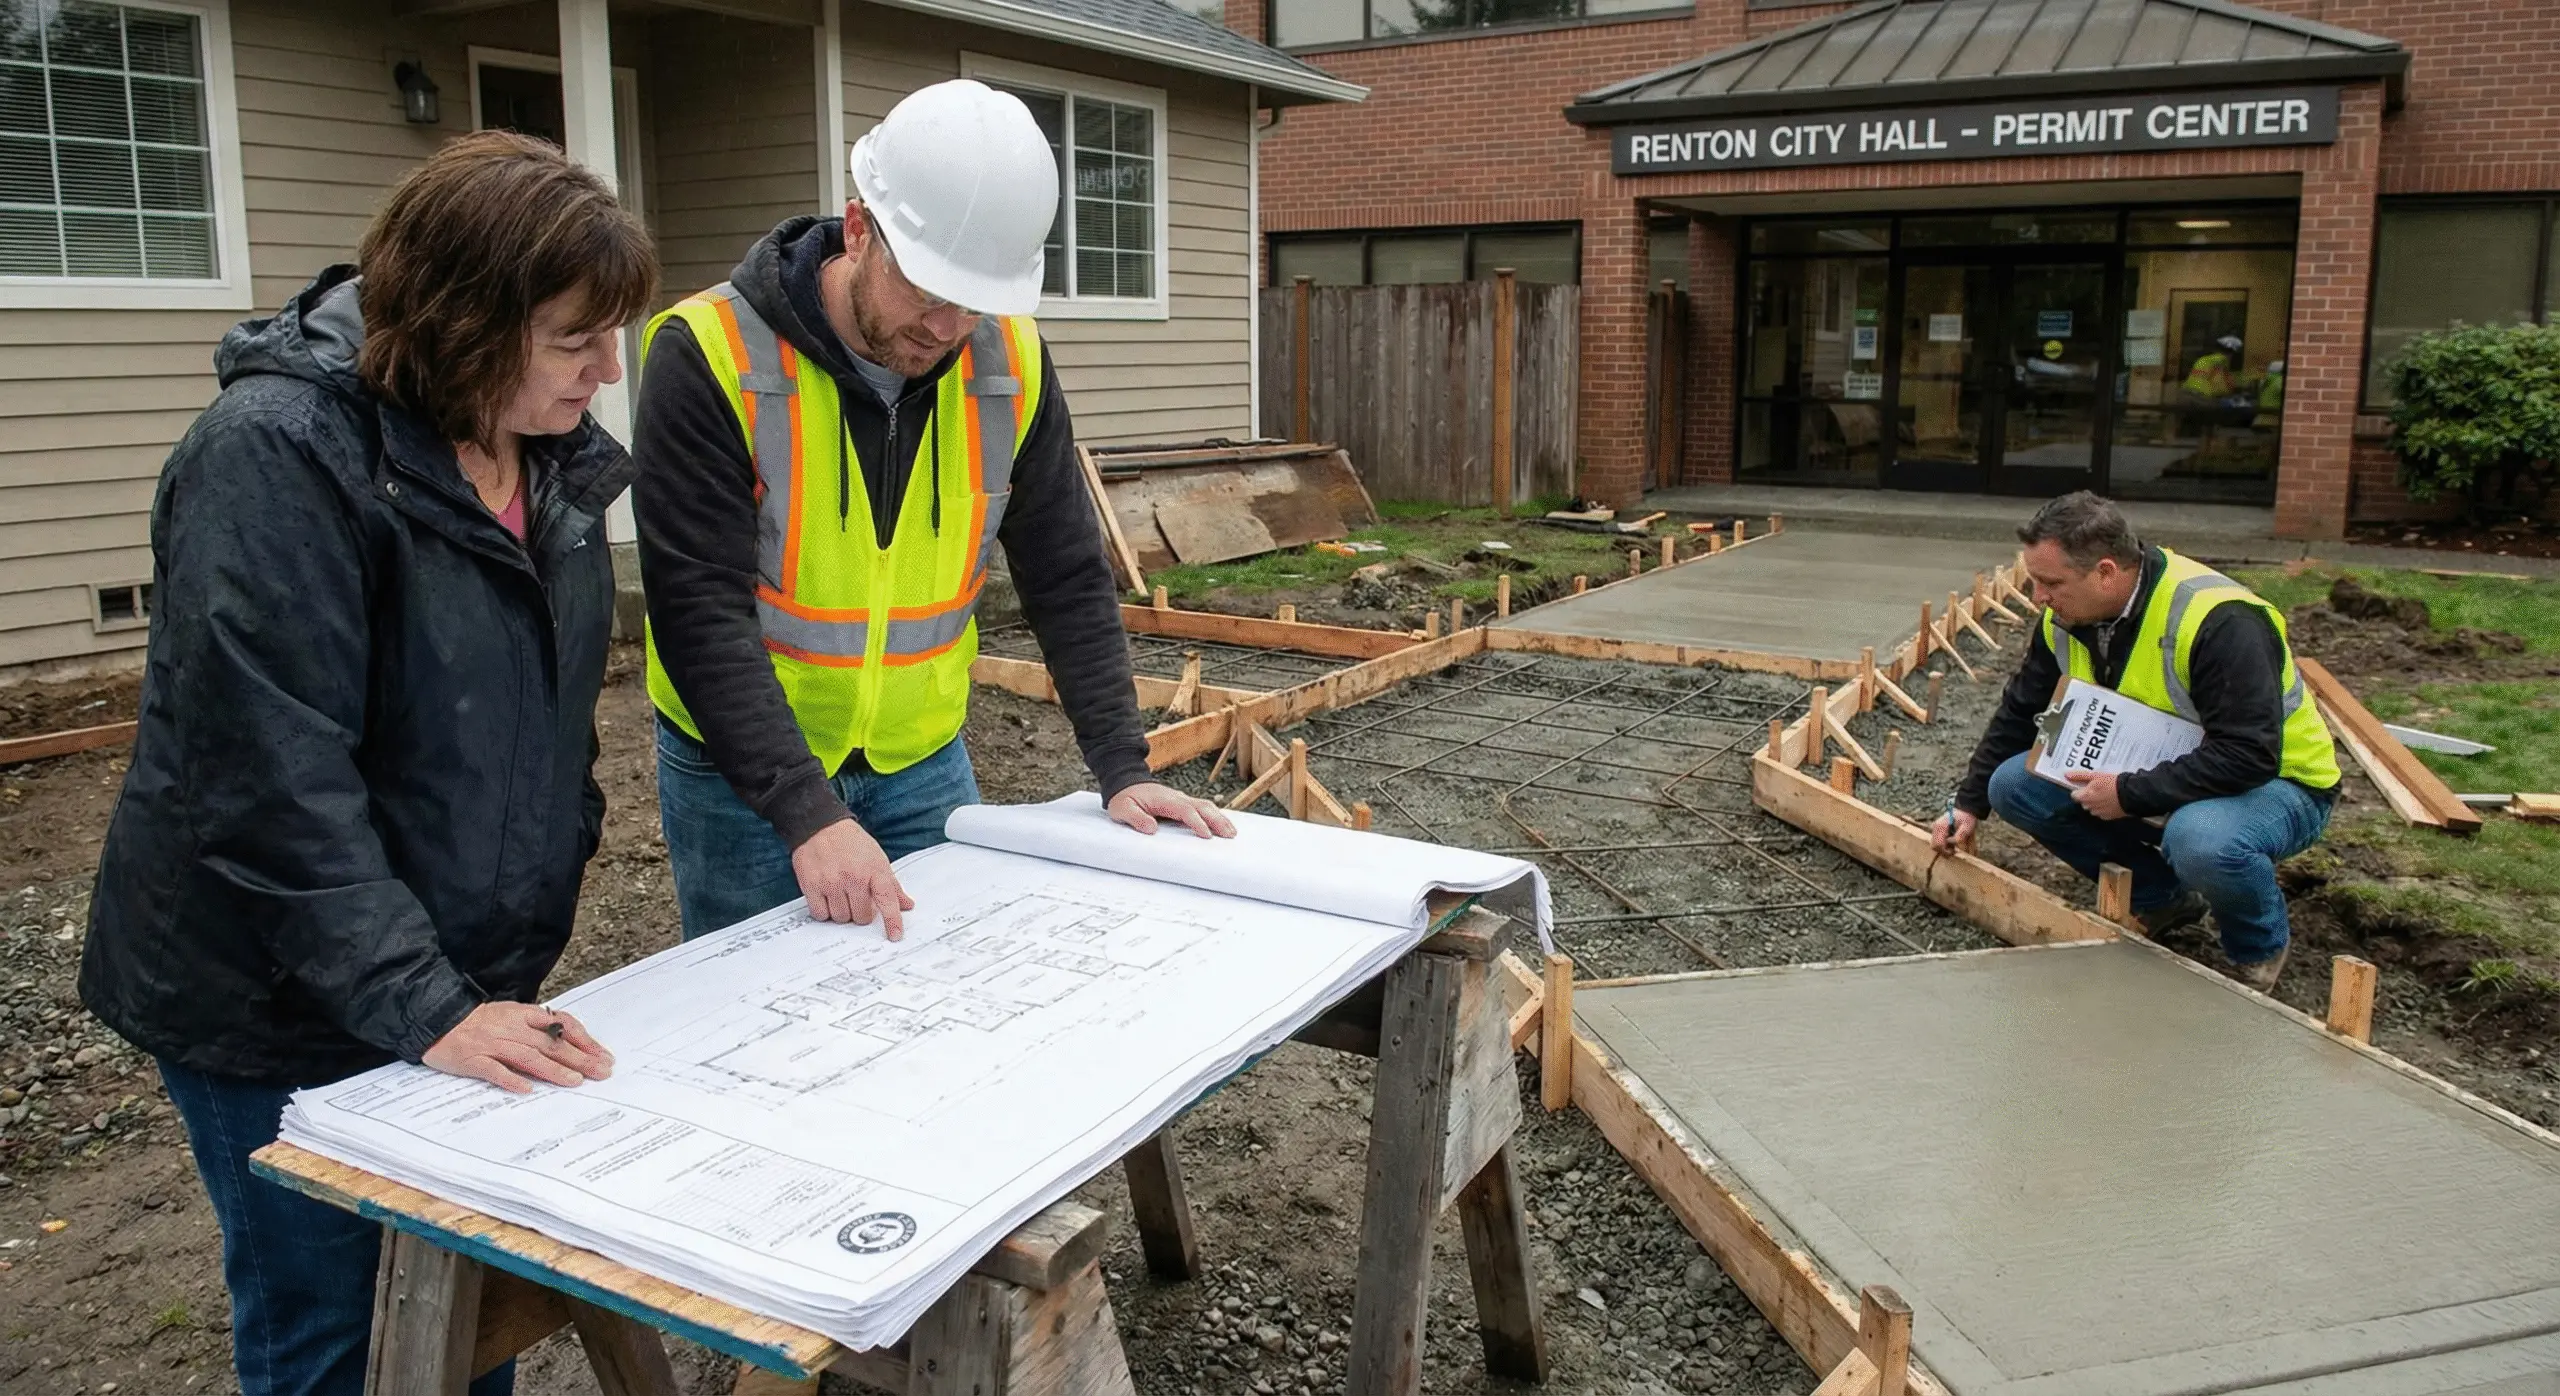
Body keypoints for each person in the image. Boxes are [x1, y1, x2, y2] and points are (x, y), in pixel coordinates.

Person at [79, 131, 651, 1396]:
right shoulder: (274, 456)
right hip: (271, 992)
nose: (609, 370)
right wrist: (430, 1005)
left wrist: (544, 864)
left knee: (456, 1294)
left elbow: (542, 713)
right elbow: (269, 779)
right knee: (336, 1323)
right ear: (461, 322)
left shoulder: (540, 450)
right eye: (574, 339)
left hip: (443, 971)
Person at [634, 79, 1231, 944]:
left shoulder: (1010, 365)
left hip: (921, 763)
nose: (947, 327)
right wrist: (805, 812)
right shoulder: (710, 355)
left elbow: (1064, 570)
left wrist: (1120, 766)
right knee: (758, 1034)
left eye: (975, 300)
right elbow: (696, 610)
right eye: (926, 289)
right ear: (858, 229)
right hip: (742, 779)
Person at [1931, 492, 2341, 989]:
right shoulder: (2067, 616)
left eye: (2050, 583)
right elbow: (2023, 709)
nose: (2038, 597)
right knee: (2013, 785)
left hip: (2277, 784)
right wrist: (1968, 804)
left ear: (2106, 572)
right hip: (2160, 767)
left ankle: (2256, 948)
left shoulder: (2222, 620)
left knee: (2201, 840)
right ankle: (2161, 898)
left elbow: (2250, 754)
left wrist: (2128, 793)